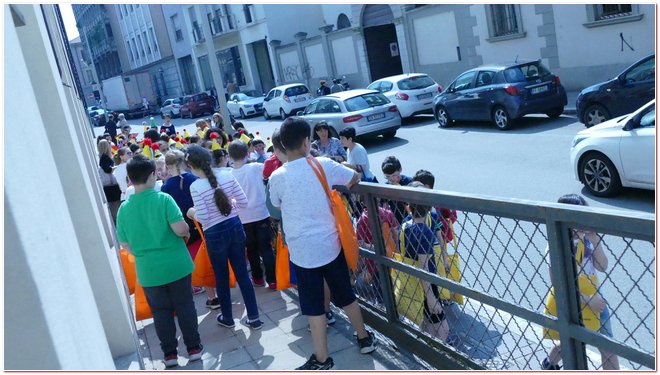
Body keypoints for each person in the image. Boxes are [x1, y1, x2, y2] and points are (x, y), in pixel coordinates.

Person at [269, 117, 376, 370]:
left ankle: (322, 359)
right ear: (307, 142)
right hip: (330, 245)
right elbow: (354, 177)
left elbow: (276, 206)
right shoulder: (323, 165)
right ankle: (364, 338)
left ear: (283, 145)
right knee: (346, 295)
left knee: (314, 306)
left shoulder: (277, 176)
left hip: (302, 252)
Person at [116, 154, 203, 368]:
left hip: (148, 270)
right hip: (176, 264)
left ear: (129, 178)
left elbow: (126, 245)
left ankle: (170, 355)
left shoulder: (124, 209)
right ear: (152, 175)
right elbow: (181, 229)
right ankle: (193, 348)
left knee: (160, 313)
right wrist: (183, 234)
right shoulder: (163, 199)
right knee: (185, 306)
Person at [185, 145, 263, 330]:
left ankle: (228, 317)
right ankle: (254, 317)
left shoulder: (196, 186)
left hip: (214, 234)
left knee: (221, 277)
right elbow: (243, 202)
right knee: (243, 274)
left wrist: (192, 212)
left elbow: (203, 217)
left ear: (192, 166)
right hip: (235, 226)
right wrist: (231, 204)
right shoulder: (228, 175)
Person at [542, 194, 619, 371]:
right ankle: (550, 364)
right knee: (567, 342)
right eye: (578, 217)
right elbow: (557, 283)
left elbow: (602, 266)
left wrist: (596, 242)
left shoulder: (588, 241)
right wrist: (586, 300)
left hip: (596, 301)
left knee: (607, 345)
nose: (583, 223)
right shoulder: (556, 244)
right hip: (573, 302)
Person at [161, 149, 219, 308]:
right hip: (201, 224)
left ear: (167, 166)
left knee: (190, 262)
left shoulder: (166, 187)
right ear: (185, 163)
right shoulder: (195, 179)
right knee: (207, 260)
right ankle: (213, 295)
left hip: (182, 229)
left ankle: (192, 293)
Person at [399, 181, 450, 342]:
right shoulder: (425, 232)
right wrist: (431, 298)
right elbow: (423, 267)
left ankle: (430, 348)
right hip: (427, 285)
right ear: (429, 207)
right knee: (443, 328)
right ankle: (442, 356)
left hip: (413, 282)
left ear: (408, 207)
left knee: (428, 321)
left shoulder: (406, 225)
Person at [228, 140, 277, 289]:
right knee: (266, 248)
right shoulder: (255, 167)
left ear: (230, 156)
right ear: (247, 153)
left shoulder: (229, 174)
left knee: (251, 249)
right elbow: (270, 169)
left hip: (242, 217)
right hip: (261, 213)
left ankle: (257, 278)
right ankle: (273, 279)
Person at [381, 155, 413, 224]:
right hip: (397, 221)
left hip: (412, 219)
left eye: (394, 175)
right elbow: (385, 205)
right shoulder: (386, 186)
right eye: (387, 176)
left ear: (400, 170)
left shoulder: (409, 182)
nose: (391, 179)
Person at [97, 139, 121, 223]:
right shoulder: (104, 158)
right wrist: (117, 167)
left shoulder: (103, 157)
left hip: (110, 186)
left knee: (115, 206)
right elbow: (107, 170)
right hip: (111, 187)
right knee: (115, 207)